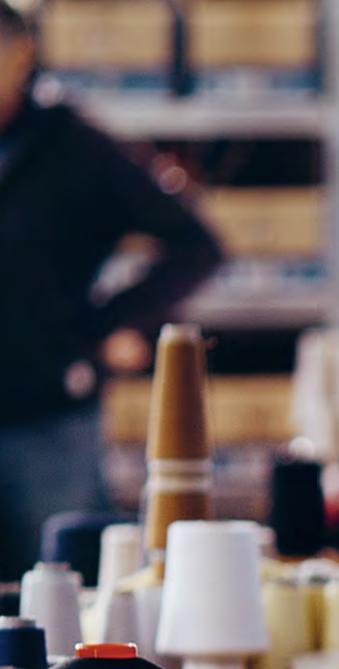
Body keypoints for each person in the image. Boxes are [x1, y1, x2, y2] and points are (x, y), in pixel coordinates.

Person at [0, 2, 223, 578]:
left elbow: (196, 244)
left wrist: (117, 326)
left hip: (47, 416)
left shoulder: (74, 147)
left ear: (21, 53)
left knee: (66, 598)